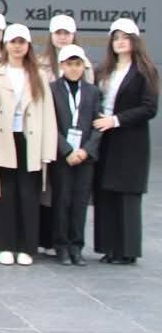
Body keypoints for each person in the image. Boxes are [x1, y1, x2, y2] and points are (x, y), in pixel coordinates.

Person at [0, 24, 56, 266]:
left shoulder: (38, 74)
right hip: (3, 140)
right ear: (6, 45)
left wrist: (47, 150)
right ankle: (4, 245)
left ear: (28, 45)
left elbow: (48, 114)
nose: (17, 46)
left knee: (28, 194)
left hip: (30, 141)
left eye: (22, 42)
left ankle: (26, 247)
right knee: (4, 193)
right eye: (13, 41)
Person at [93, 18, 159, 264]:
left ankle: (127, 250)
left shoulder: (145, 71)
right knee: (106, 192)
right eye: (116, 38)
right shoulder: (103, 70)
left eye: (125, 38)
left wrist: (116, 120)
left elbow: (149, 108)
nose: (120, 42)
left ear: (135, 41)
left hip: (130, 140)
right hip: (104, 139)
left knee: (127, 194)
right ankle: (109, 248)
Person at [49, 45, 101, 266]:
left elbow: (98, 124)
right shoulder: (52, 89)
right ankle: (61, 246)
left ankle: (76, 247)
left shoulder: (93, 91)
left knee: (80, 202)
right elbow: (49, 123)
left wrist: (86, 150)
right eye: (69, 64)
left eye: (78, 64)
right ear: (62, 65)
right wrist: (67, 150)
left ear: (83, 66)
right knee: (62, 200)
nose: (74, 68)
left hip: (84, 157)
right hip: (63, 156)